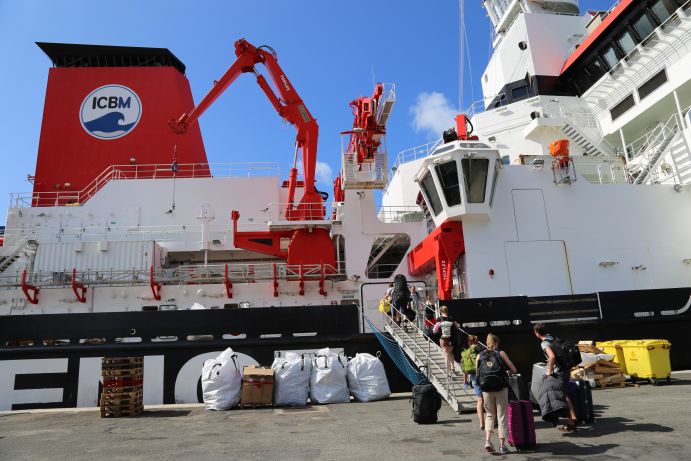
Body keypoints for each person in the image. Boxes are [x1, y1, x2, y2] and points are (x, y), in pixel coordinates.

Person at [476, 333, 517, 455]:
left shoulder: (480, 355)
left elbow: (478, 374)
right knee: (502, 416)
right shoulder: (501, 353)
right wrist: (507, 372)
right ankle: (502, 446)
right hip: (501, 388)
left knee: (489, 415)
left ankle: (488, 441)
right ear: (496, 343)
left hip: (486, 389)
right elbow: (514, 370)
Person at [533, 323, 578, 432]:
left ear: (536, 333)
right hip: (566, 368)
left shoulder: (544, 343)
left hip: (559, 371)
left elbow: (552, 356)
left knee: (561, 394)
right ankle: (571, 420)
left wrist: (549, 370)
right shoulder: (552, 337)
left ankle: (572, 420)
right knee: (563, 393)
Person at [462, 335, 485, 431]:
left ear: (468, 342)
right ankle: (493, 420)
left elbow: (464, 369)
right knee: (489, 399)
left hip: (474, 378)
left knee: (480, 400)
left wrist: (465, 381)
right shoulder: (481, 350)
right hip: (484, 376)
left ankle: (481, 423)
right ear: (477, 341)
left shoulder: (465, 353)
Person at [433, 306, 458, 376]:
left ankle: (448, 372)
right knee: (450, 352)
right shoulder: (451, 318)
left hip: (443, 339)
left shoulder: (439, 319)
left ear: (441, 311)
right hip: (451, 339)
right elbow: (457, 326)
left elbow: (434, 331)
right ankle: (453, 368)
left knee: (446, 355)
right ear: (447, 311)